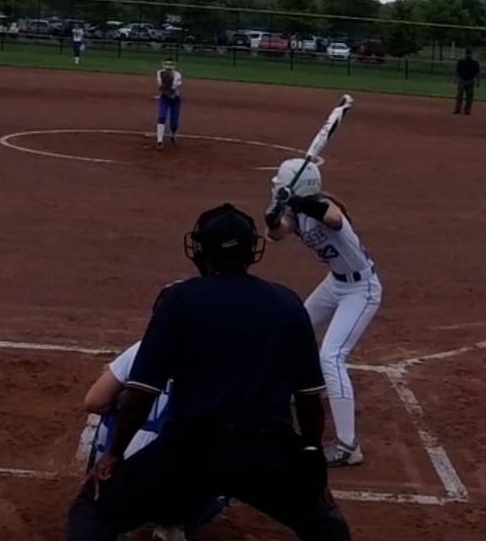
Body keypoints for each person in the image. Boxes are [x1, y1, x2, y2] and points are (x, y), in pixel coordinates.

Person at [64, 204, 349, 541]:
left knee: (93, 511)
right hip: (268, 452)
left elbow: (140, 394)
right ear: (252, 251)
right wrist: (312, 463)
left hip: (191, 450)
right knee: (324, 524)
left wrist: (114, 454)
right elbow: (309, 400)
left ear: (201, 250)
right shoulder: (288, 304)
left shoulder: (180, 300)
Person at [265, 159, 381, 468]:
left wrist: (296, 200)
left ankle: (348, 445)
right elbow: (275, 234)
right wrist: (273, 218)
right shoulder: (297, 213)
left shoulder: (325, 205)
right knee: (294, 328)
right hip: (335, 283)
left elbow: (333, 218)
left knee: (331, 356)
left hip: (362, 289)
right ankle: (294, 391)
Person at [82, 340, 231, 540]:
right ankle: (174, 523)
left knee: (112, 411)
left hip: (124, 480)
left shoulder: (144, 348)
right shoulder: (224, 356)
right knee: (223, 441)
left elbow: (93, 402)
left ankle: (107, 512)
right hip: (177, 481)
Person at [154, 61, 183, 148]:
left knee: (174, 123)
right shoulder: (160, 73)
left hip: (175, 100)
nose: (168, 68)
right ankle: (159, 141)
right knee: (161, 117)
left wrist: (167, 85)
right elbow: (160, 86)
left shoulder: (177, 75)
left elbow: (173, 88)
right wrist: (163, 84)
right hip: (164, 98)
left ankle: (172, 134)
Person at [453, 50, 481, 115]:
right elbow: (457, 71)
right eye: (467, 54)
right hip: (462, 80)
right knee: (459, 96)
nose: (468, 55)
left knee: (469, 97)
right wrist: (455, 79)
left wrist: (478, 81)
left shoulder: (475, 63)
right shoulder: (461, 62)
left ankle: (467, 110)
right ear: (465, 54)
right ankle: (457, 109)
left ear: (471, 54)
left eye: (469, 54)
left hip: (470, 80)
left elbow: (477, 73)